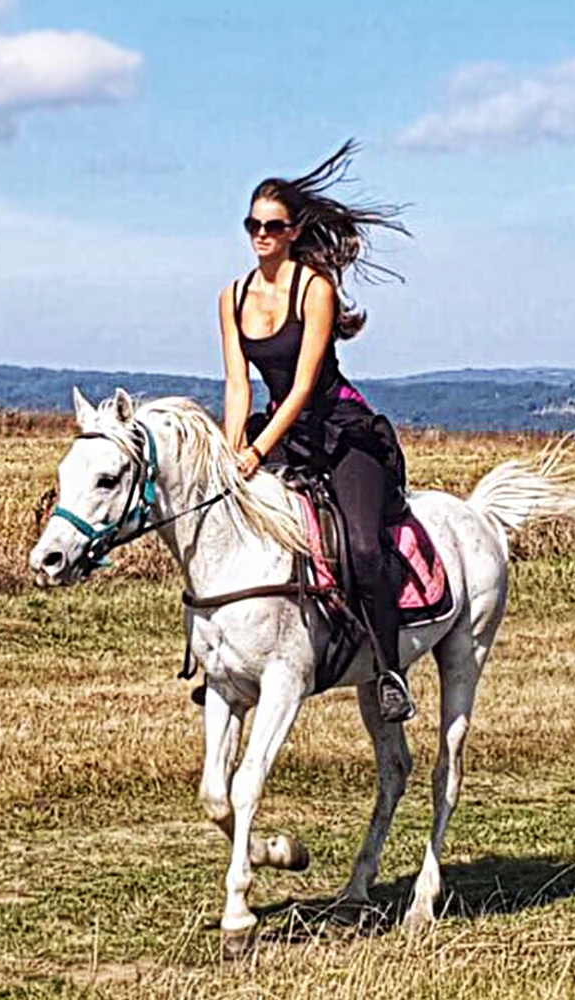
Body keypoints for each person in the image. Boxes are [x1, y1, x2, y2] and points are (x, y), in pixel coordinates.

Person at [218, 140, 416, 723]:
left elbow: (303, 386)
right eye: (251, 224)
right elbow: (238, 386)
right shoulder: (231, 298)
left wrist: (258, 450)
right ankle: (224, 662)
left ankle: (388, 672)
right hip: (277, 431)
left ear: (294, 230)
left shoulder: (315, 289)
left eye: (272, 226)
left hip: (339, 430)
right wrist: (233, 454)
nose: (260, 235)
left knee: (359, 544)